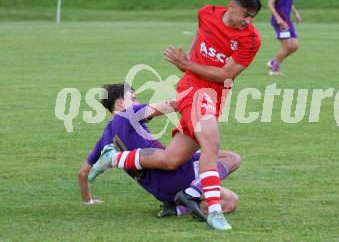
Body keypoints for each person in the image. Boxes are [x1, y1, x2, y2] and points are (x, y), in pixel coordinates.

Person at [91, 0, 262, 231]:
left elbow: (226, 74)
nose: (248, 21)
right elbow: (196, 45)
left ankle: (113, 158)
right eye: (245, 15)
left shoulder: (251, 40)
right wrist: (187, 63)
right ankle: (214, 211)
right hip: (194, 90)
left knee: (172, 159)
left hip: (214, 95)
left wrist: (186, 64)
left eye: (252, 17)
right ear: (232, 6)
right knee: (211, 144)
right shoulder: (207, 13)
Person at [78, 83, 241, 219]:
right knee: (232, 161)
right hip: (175, 175)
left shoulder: (105, 137)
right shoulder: (128, 114)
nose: (137, 102)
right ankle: (192, 192)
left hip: (159, 190)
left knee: (228, 197)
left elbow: (83, 173)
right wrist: (197, 101)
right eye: (133, 99)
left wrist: (88, 201)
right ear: (120, 103)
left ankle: (176, 209)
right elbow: (169, 105)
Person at [267, 0, 301, 76]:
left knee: (295, 46)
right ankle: (274, 69)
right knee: (287, 46)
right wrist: (278, 18)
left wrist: (296, 13)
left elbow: (289, 3)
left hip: (288, 20)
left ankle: (273, 62)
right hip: (280, 20)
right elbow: (270, 3)